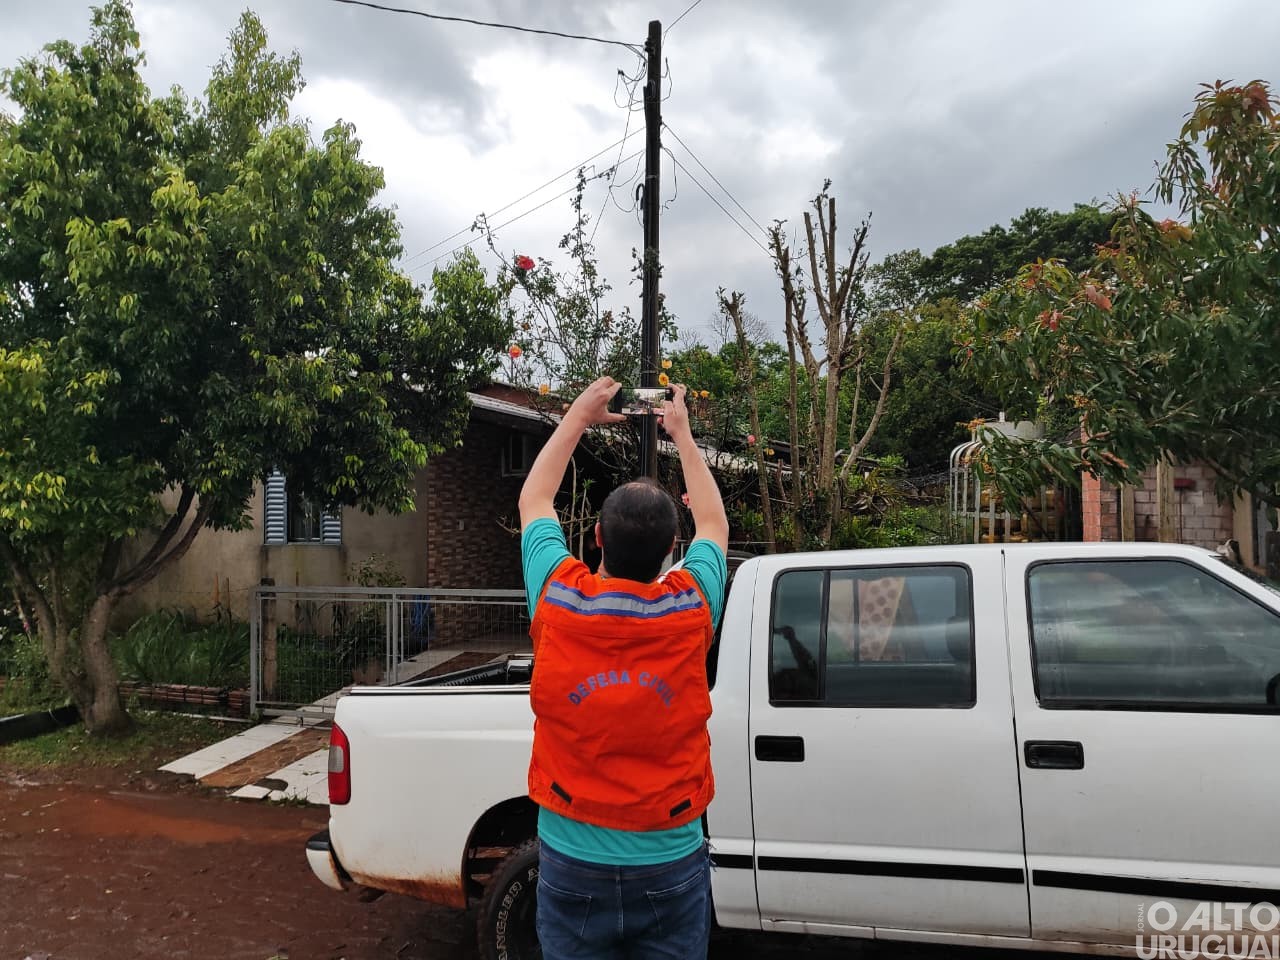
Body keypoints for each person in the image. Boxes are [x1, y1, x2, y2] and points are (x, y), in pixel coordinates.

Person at [518, 376, 729, 960]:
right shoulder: (690, 606)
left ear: (595, 539)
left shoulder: (557, 599)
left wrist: (577, 419)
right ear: (670, 552)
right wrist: (682, 435)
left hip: (570, 859)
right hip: (671, 859)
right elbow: (713, 525)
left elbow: (534, 501)